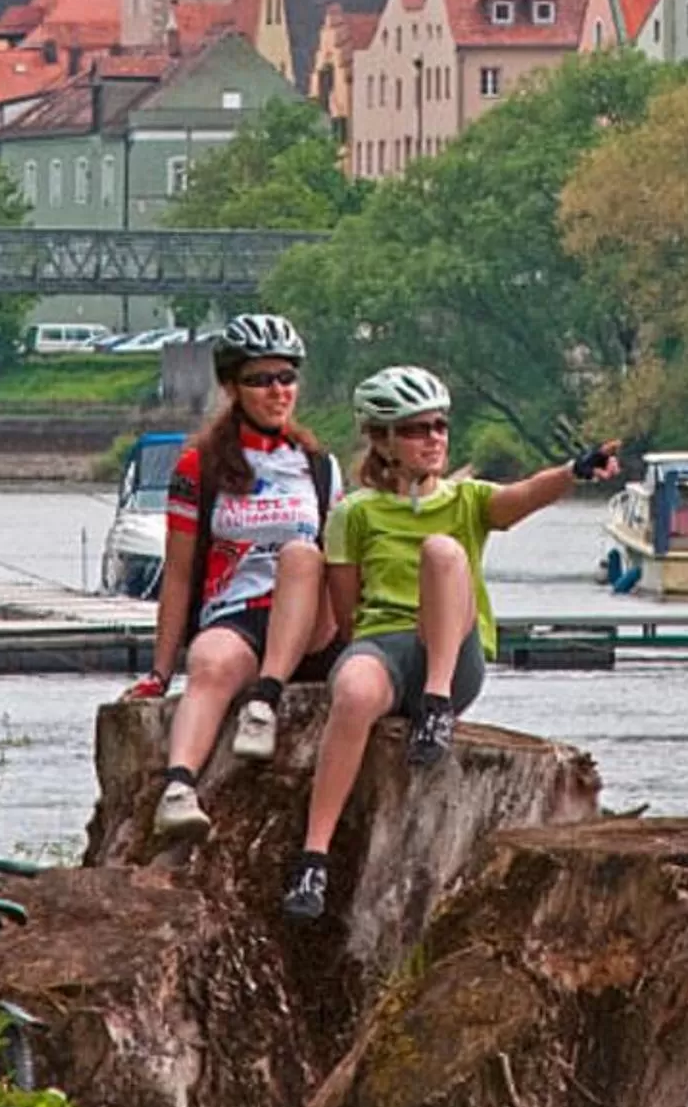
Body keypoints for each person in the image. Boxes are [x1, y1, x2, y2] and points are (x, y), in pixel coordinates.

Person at [281, 365, 615, 923]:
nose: (434, 438)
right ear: (383, 439)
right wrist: (358, 662)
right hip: (385, 647)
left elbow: (524, 495)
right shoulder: (353, 514)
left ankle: (435, 706)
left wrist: (575, 470)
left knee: (443, 552)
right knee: (354, 692)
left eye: (440, 426)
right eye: (417, 429)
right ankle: (314, 858)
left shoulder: (467, 501)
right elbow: (349, 613)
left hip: (452, 660)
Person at [139, 311, 338, 845]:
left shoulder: (319, 466)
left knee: (302, 554)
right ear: (231, 387)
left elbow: (343, 563)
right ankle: (179, 789)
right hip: (239, 613)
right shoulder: (199, 465)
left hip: (310, 619)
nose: (278, 391)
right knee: (209, 663)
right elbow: (179, 574)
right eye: (260, 380)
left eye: (287, 377)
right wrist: (159, 673)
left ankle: (264, 700)